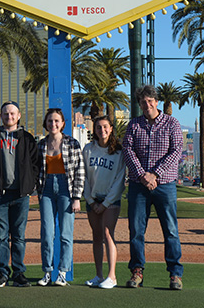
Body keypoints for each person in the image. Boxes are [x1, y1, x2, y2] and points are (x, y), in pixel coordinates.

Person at [123, 85, 184, 291]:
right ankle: (137, 271)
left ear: (156, 102)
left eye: (150, 101)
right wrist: (142, 175)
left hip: (165, 185)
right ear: (139, 104)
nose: (146, 105)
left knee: (171, 231)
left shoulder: (171, 123)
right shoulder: (134, 125)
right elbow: (128, 151)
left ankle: (175, 273)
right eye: (142, 102)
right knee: (136, 231)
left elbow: (176, 151)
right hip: (138, 186)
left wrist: (154, 174)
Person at [0, 101, 40, 288]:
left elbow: (36, 165)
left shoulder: (27, 138)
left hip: (21, 195)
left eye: (12, 114)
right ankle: (2, 273)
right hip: (0, 196)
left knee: (19, 236)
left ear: (19, 115)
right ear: (1, 116)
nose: (9, 117)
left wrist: (30, 187)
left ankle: (19, 273)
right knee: (2, 236)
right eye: (6, 114)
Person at [36, 108, 85, 287]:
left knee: (65, 234)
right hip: (46, 190)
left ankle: (63, 272)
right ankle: (47, 272)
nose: (53, 124)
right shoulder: (41, 144)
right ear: (46, 123)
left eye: (56, 121)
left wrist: (77, 197)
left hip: (67, 188)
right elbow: (36, 170)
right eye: (50, 121)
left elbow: (80, 171)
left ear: (63, 123)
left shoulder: (72, 143)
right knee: (47, 233)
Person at [82, 115, 125, 289]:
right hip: (93, 199)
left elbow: (120, 179)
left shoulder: (118, 151)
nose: (102, 130)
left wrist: (106, 203)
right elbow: (83, 176)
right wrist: (91, 201)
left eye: (105, 127)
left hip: (110, 200)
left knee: (108, 234)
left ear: (111, 128)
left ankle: (112, 276)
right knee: (96, 236)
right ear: (94, 130)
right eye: (98, 127)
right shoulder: (88, 149)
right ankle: (99, 275)